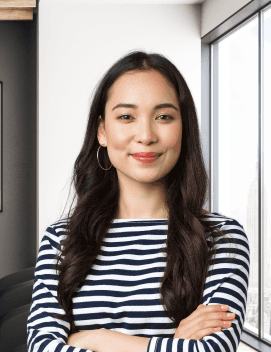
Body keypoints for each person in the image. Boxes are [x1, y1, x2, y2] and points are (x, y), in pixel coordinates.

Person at [27, 51, 250, 352]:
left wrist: (94, 338)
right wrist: (174, 344)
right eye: (126, 117)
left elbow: (212, 350)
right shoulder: (61, 239)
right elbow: (41, 347)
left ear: (184, 129)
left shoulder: (222, 238)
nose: (145, 135)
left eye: (163, 117)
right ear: (102, 131)